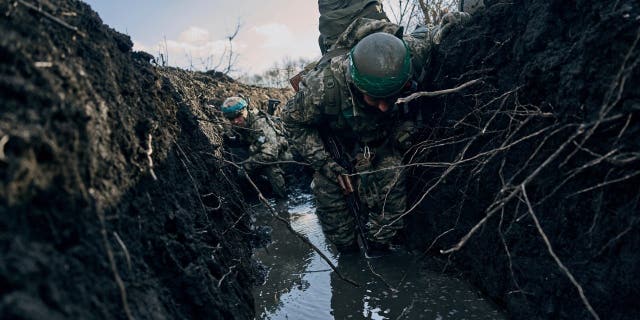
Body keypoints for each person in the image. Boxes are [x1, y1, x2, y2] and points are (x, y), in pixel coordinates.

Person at [282, 10, 473, 255]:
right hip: (338, 146)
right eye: (375, 99)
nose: (385, 107)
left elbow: (435, 33)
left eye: (391, 97)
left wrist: (453, 23)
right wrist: (328, 165)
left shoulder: (411, 55)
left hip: (383, 142)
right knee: (335, 217)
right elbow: (292, 121)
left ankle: (379, 248)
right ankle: (348, 253)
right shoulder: (322, 88)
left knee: (392, 187)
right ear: (355, 84)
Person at [221, 96, 289, 199]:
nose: (235, 121)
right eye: (231, 118)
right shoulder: (242, 124)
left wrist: (246, 166)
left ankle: (282, 199)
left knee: (270, 168)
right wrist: (232, 141)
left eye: (238, 115)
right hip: (259, 152)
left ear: (245, 110)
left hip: (282, 158)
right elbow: (245, 141)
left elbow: (270, 154)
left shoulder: (260, 124)